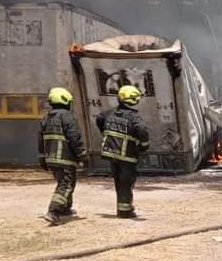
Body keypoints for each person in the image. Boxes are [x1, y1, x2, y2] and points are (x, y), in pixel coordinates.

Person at [96, 85, 150, 218]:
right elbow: (142, 131)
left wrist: (105, 132)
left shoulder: (109, 113)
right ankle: (125, 211)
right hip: (127, 156)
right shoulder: (134, 117)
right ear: (135, 100)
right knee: (126, 181)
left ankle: (123, 208)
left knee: (118, 181)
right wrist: (144, 146)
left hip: (112, 153)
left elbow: (99, 118)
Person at [38, 87, 88, 225]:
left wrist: (42, 158)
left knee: (63, 182)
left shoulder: (46, 118)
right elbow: (74, 138)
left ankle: (65, 208)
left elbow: (40, 140)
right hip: (65, 158)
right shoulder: (67, 116)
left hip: (51, 158)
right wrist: (82, 155)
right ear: (66, 101)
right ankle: (53, 211)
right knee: (66, 184)